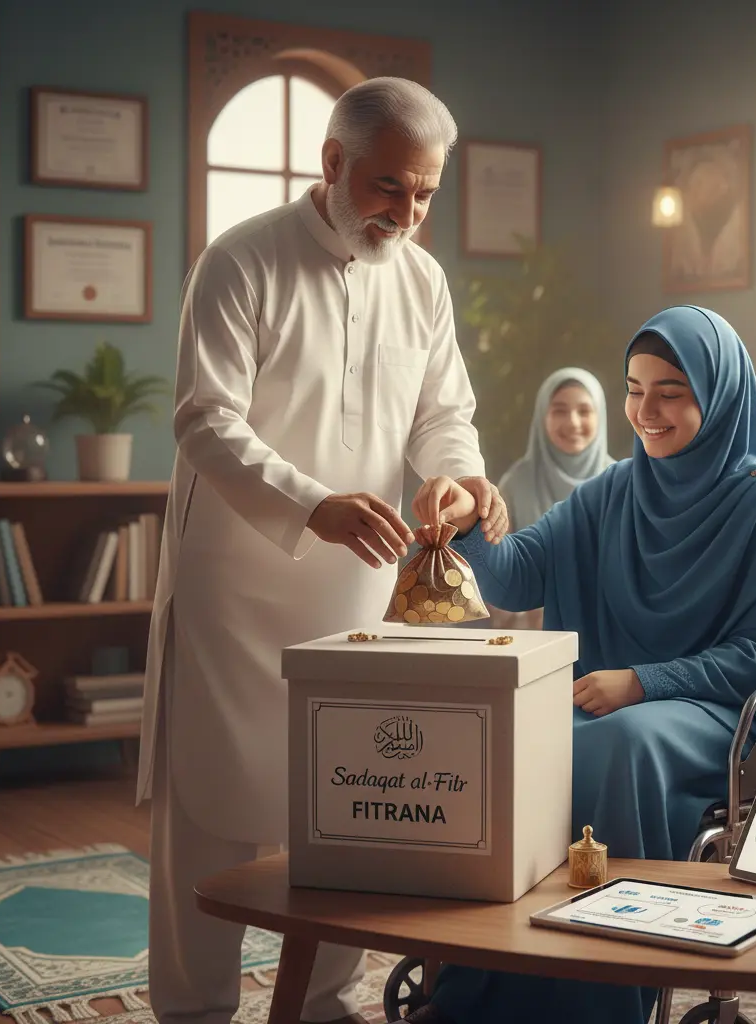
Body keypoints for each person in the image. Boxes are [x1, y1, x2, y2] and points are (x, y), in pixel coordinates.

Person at [135, 77, 508, 1024]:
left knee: (358, 804)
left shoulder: (422, 280)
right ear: (333, 162)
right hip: (236, 591)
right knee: (213, 809)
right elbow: (203, 422)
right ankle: (192, 1008)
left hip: (360, 592)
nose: (408, 214)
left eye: (425, 194)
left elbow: (443, 415)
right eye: (391, 188)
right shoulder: (240, 260)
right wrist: (312, 506)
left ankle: (326, 1002)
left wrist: (454, 479)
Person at [404, 305, 756, 1024]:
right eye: (633, 388)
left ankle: (597, 1000)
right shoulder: (612, 490)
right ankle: (493, 988)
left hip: (719, 712)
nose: (645, 410)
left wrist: (642, 682)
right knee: (513, 733)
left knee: (619, 743)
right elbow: (514, 577)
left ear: (718, 395)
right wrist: (472, 515)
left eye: (670, 391)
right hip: (613, 702)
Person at [487, 368, 614, 629]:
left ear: (599, 417)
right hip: (532, 639)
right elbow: (495, 574)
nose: (573, 422)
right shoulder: (516, 484)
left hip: (609, 640)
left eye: (584, 411)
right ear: (542, 417)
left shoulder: (621, 484)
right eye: (559, 410)